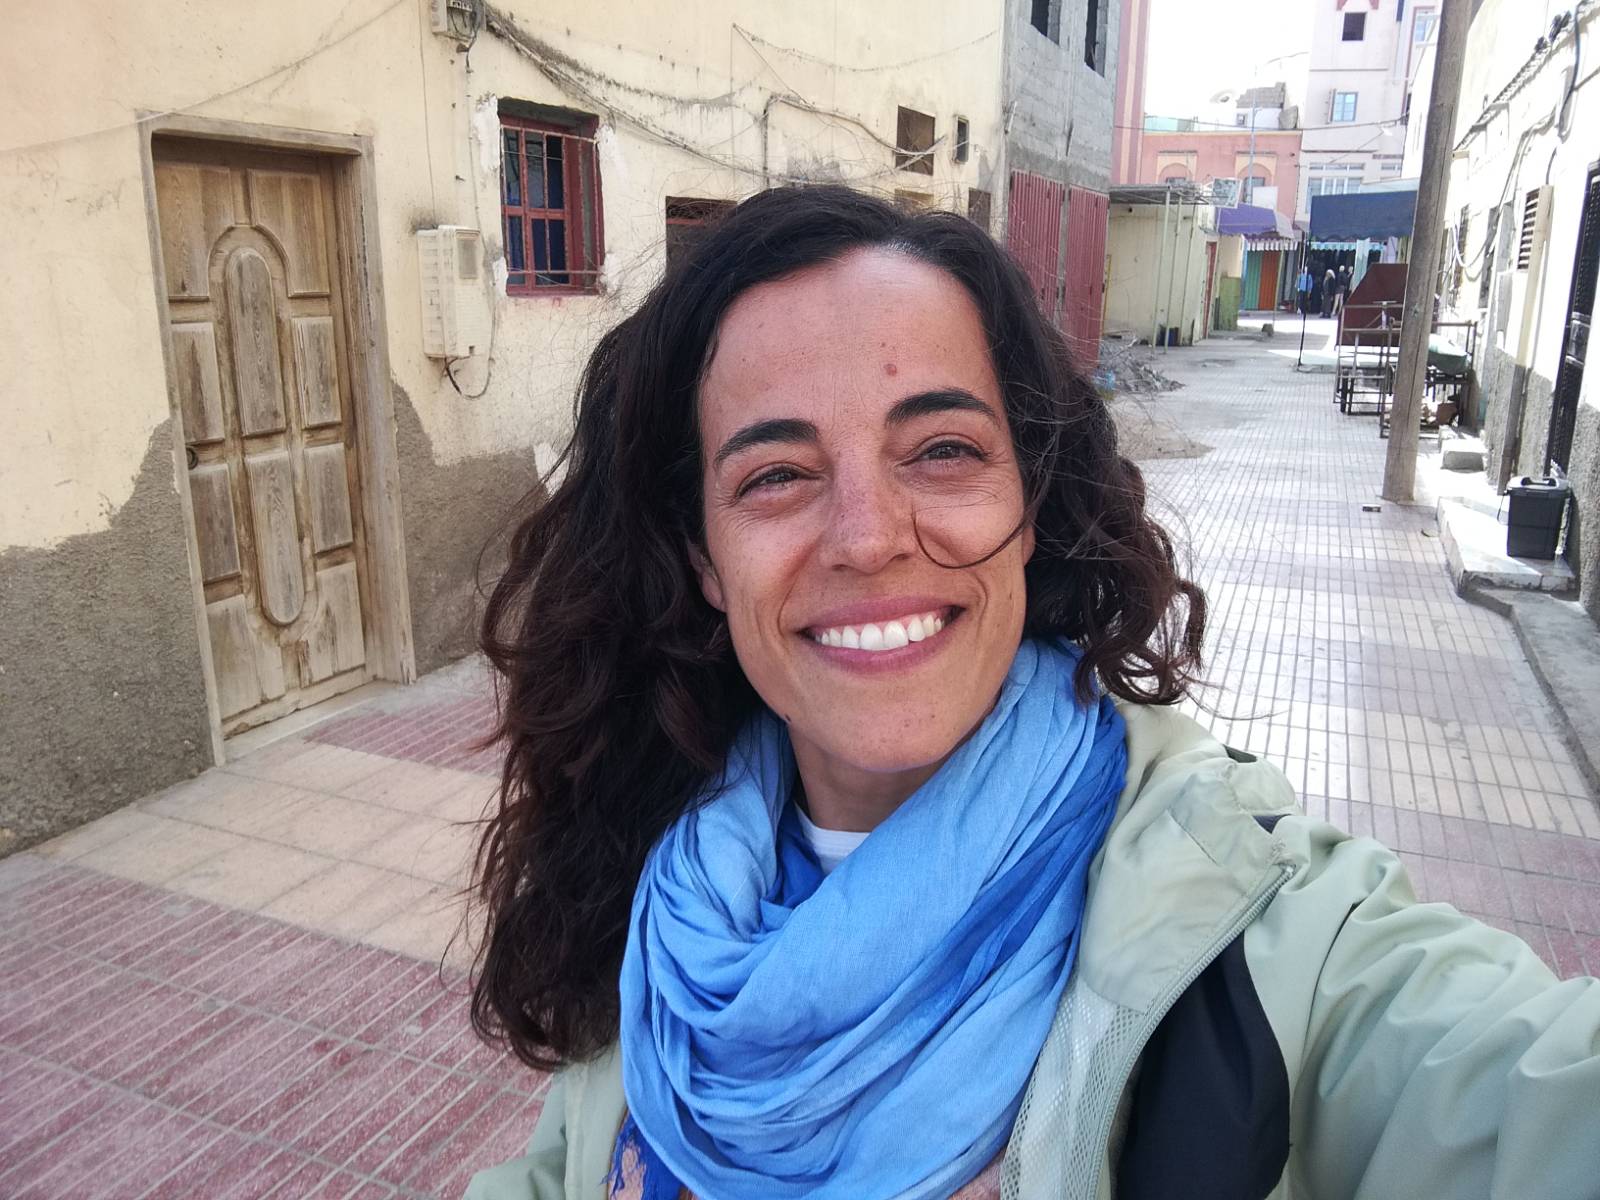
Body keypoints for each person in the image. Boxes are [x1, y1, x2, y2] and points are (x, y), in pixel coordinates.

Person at [465, 186, 1599, 1200]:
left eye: (942, 451)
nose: (867, 537)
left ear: (1029, 504)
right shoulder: (667, 896)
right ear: (706, 560)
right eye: (776, 474)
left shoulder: (1258, 940)